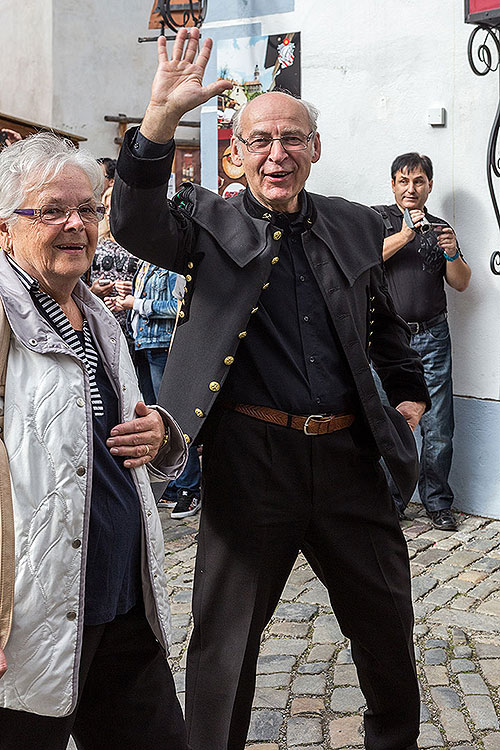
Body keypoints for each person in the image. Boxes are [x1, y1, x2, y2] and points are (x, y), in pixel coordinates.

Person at [111, 29, 430, 750]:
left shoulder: (353, 223)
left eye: (292, 139)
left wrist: (409, 400)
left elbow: (382, 321)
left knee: (386, 628)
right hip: (252, 462)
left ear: (314, 148)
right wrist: (159, 122)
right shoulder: (205, 221)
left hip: (351, 459)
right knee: (224, 648)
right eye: (259, 141)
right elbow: (131, 220)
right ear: (236, 153)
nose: (276, 153)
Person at [0, 133, 188, 750]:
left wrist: (161, 435)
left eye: (88, 209)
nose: (76, 224)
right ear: (7, 228)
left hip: (121, 596)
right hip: (35, 615)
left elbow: (107, 434)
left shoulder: (97, 313)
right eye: (51, 210)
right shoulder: (6, 316)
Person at [373, 153, 471, 531]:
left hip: (432, 335)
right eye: (403, 181)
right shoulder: (378, 220)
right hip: (387, 339)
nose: (410, 188)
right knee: (388, 422)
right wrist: (406, 235)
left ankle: (437, 502)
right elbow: (367, 258)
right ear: (393, 185)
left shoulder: (441, 226)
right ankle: (390, 501)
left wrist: (452, 251)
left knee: (438, 424)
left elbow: (461, 282)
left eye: (418, 182)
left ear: (429, 185)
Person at [114, 261, 202, 517]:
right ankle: (171, 486)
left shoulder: (172, 265)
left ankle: (189, 489)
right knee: (153, 417)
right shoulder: (142, 264)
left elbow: (179, 307)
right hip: (143, 345)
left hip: (164, 346)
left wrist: (137, 304)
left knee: (174, 416)